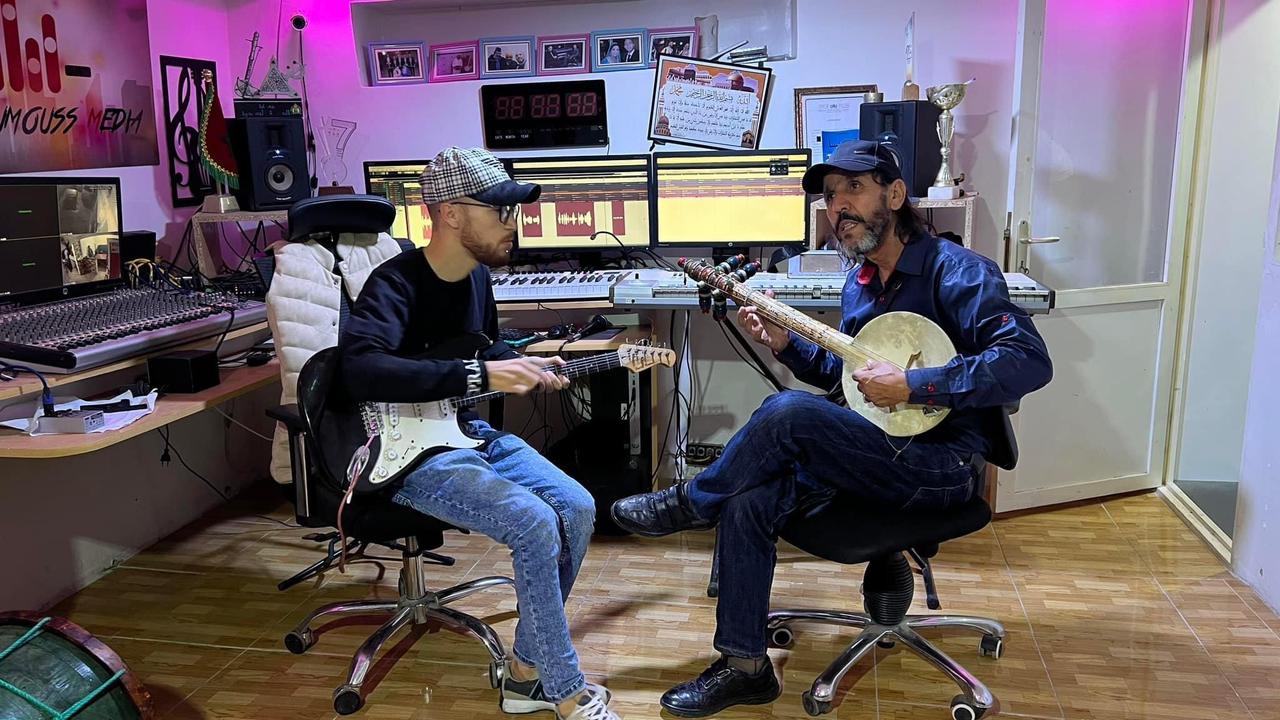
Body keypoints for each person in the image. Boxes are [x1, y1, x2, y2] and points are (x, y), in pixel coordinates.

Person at [610, 139, 1053, 717]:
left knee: (787, 411)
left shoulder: (958, 271)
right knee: (751, 497)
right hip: (875, 448)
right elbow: (851, 382)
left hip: (940, 464)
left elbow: (1028, 360)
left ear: (896, 195)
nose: (838, 206)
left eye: (854, 189)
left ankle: (692, 502)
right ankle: (745, 667)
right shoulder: (858, 283)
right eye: (829, 195)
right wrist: (788, 345)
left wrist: (917, 384)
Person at [338, 146, 623, 720]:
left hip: (463, 430)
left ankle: (524, 674)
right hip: (406, 453)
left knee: (576, 506)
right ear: (449, 213)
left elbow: (482, 351)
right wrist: (482, 374)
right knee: (534, 521)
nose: (513, 224)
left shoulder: (475, 280)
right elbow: (360, 369)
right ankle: (565, 690)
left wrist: (523, 365)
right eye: (500, 211)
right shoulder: (394, 284)